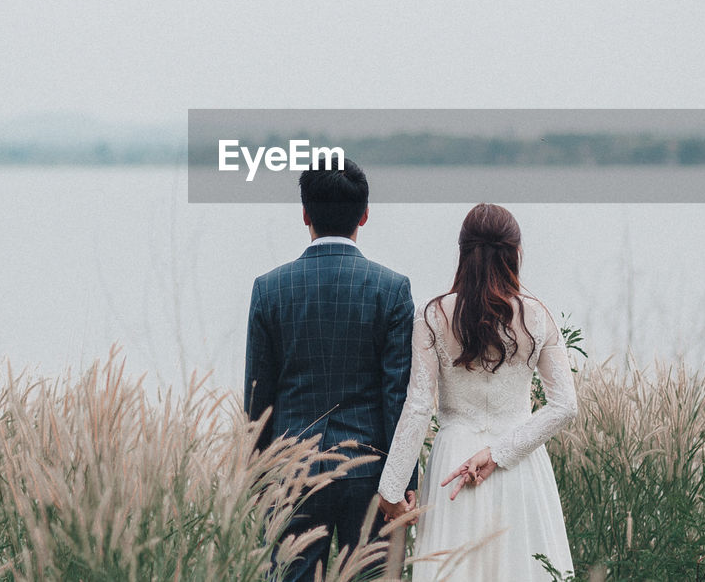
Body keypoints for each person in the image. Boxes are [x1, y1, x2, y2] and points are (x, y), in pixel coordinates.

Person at [376, 203, 578, 581]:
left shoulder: (434, 315)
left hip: (453, 464)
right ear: (515, 253)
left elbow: (419, 406)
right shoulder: (538, 317)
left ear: (463, 252)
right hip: (518, 463)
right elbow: (565, 407)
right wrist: (500, 452)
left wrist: (391, 488)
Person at [244, 158, 418, 582]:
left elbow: (256, 399)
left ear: (305, 214)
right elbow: (398, 397)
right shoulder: (392, 290)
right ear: (364, 215)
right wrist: (404, 481)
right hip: (372, 478)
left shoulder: (270, 289)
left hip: (292, 473)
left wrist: (257, 480)